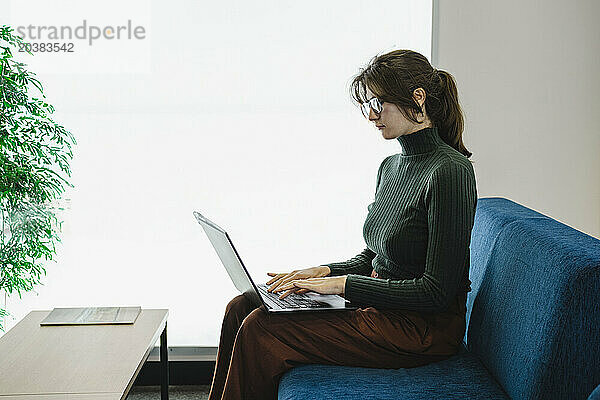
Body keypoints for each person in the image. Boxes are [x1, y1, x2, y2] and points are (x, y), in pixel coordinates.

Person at [208, 49, 478, 400]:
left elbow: (436, 293)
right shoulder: (391, 167)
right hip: (383, 310)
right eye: (368, 105)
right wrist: (322, 272)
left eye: (378, 103)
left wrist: (343, 286)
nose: (371, 115)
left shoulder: (450, 171)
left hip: (421, 329)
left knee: (261, 329)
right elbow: (375, 256)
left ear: (418, 98)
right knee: (242, 306)